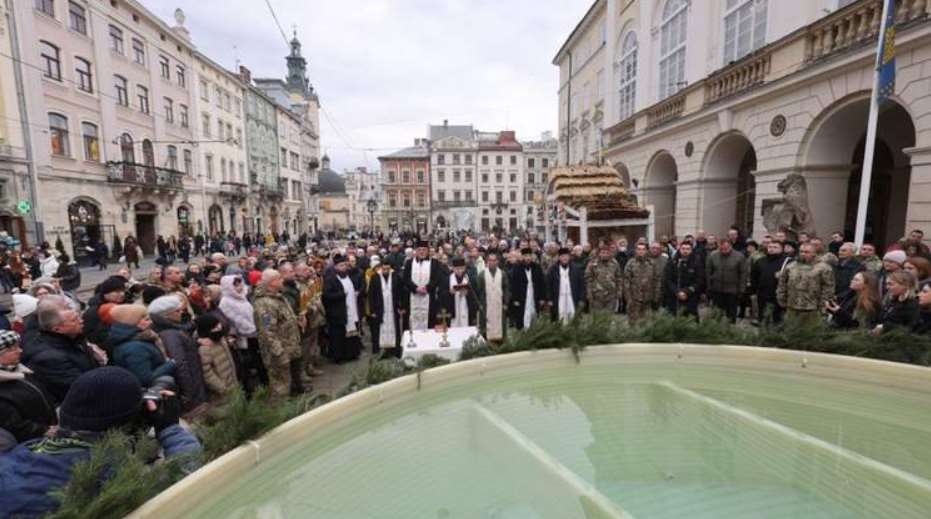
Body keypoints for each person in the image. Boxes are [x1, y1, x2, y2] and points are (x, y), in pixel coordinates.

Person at [0, 367, 202, 518]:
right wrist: (170, 428)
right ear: (125, 423)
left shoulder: (26, 450)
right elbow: (191, 486)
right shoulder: (106, 471)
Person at [22, 296, 98, 402]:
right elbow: (79, 387)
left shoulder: (74, 337)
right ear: (58, 329)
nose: (81, 321)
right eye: (74, 320)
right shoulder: (49, 358)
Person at [149, 295, 207, 414]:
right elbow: (180, 363)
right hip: (192, 388)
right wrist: (189, 394)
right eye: (177, 310)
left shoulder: (173, 328)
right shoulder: (170, 334)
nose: (182, 312)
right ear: (166, 315)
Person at [0, 330, 58, 443]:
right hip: (33, 444)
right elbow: (13, 425)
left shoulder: (19, 371)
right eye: (14, 349)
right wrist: (44, 430)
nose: (20, 351)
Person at [253, 269, 302, 396]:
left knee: (289, 383)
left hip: (289, 348)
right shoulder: (264, 304)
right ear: (272, 282)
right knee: (281, 387)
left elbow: (284, 318)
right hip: (278, 354)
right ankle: (282, 411)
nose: (282, 280)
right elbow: (267, 332)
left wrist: (296, 320)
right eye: (279, 278)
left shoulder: (278, 297)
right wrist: (279, 353)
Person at [107, 304, 175, 387]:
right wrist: (171, 364)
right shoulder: (134, 348)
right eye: (146, 319)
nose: (151, 322)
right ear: (133, 322)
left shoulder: (140, 339)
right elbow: (146, 379)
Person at [777, 243, 835, 324]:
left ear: (814, 253)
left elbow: (828, 287)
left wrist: (823, 305)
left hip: (812, 308)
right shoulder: (791, 266)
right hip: (792, 306)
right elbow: (782, 283)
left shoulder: (823, 267)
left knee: (811, 333)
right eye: (801, 251)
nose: (803, 254)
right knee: (790, 332)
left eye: (807, 252)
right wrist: (781, 299)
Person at [322, 256, 364, 364]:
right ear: (335, 267)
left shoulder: (347, 276)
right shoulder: (331, 279)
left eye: (345, 265)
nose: (344, 267)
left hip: (350, 310)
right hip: (338, 312)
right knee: (338, 336)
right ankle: (338, 357)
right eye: (341, 265)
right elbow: (326, 295)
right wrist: (341, 295)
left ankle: (351, 354)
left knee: (350, 332)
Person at [400, 241, 444, 332]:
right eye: (419, 250)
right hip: (412, 297)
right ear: (416, 251)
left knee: (429, 323)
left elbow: (437, 278)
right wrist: (415, 288)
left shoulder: (434, 263)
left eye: (424, 250)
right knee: (411, 321)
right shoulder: (409, 263)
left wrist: (427, 288)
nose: (422, 252)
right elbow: (405, 278)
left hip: (429, 297)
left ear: (428, 251)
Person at [195, 314, 238, 400]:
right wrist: (222, 388)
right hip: (222, 393)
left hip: (233, 384)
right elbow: (207, 374)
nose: (219, 327)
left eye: (219, 324)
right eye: (215, 327)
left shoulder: (220, 339)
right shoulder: (204, 349)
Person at [705, 240, 747, 323]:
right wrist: (709, 287)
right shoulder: (713, 255)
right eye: (721, 248)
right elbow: (708, 272)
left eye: (726, 248)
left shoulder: (739, 256)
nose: (724, 250)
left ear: (731, 246)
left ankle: (730, 329)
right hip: (717, 289)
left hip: (732, 290)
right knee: (716, 313)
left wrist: (742, 289)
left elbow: (743, 274)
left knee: (731, 314)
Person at [751, 241, 792, 325]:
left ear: (782, 249)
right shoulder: (760, 261)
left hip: (779, 297)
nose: (771, 249)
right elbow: (754, 277)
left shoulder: (788, 262)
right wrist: (756, 290)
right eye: (770, 247)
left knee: (777, 321)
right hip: (763, 295)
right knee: (763, 319)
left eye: (775, 247)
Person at [368, 260, 402, 356]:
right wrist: (372, 310)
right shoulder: (375, 278)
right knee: (379, 330)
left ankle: (394, 350)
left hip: (392, 308)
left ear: (390, 268)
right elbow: (371, 295)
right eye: (384, 269)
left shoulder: (396, 277)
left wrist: (401, 306)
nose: (386, 271)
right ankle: (379, 351)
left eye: (388, 269)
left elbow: (400, 293)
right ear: (380, 268)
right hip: (379, 309)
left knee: (394, 329)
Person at [474, 252, 509, 342]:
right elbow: (478, 290)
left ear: (497, 262)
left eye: (494, 260)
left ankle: (501, 344)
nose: (492, 262)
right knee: (486, 326)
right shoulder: (482, 275)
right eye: (490, 260)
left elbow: (506, 289)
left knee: (500, 325)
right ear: (487, 262)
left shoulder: (502, 274)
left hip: (499, 305)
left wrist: (505, 303)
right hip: (486, 305)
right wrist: (480, 304)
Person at [664, 241, 703, 320]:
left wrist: (687, 291)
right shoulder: (672, 262)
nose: (685, 251)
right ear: (679, 249)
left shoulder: (697, 262)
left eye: (688, 249)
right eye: (683, 249)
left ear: (691, 250)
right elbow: (668, 280)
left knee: (691, 320)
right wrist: (677, 292)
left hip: (691, 297)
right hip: (675, 297)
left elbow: (700, 280)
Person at [624, 243, 661, 324]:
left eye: (643, 249)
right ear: (636, 251)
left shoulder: (652, 263)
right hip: (634, 299)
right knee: (633, 324)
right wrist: (628, 298)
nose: (641, 251)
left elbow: (656, 280)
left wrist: (656, 296)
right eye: (639, 249)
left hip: (648, 299)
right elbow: (626, 281)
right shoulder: (630, 263)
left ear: (646, 251)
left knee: (646, 324)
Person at [509, 248, 545, 330]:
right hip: (522, 297)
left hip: (534, 295)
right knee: (523, 317)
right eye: (525, 256)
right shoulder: (517, 268)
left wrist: (542, 297)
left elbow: (542, 283)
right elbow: (514, 286)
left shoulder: (537, 268)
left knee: (534, 315)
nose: (528, 258)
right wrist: (515, 299)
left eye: (529, 256)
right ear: (522, 257)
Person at [546, 247, 585, 323]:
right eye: (562, 256)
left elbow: (581, 285)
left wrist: (581, 298)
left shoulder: (576, 269)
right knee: (559, 316)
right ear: (559, 257)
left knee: (573, 316)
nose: (565, 258)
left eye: (566, 256)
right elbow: (548, 285)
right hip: (558, 297)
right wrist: (549, 299)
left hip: (572, 297)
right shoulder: (552, 269)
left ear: (569, 257)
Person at [584, 244, 624, 314]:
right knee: (597, 319)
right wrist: (589, 293)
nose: (605, 255)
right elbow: (588, 279)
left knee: (609, 318)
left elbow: (619, 278)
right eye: (603, 252)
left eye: (607, 253)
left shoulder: (614, 263)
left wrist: (619, 292)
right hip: (596, 296)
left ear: (609, 253)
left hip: (611, 296)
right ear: (599, 253)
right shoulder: (593, 263)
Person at [444, 257, 478, 328]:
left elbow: (476, 296)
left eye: (461, 268)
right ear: (453, 268)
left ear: (465, 268)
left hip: (467, 311)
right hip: (453, 310)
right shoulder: (447, 280)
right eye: (457, 268)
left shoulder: (470, 279)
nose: (459, 271)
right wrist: (450, 293)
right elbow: (441, 296)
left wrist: (467, 294)